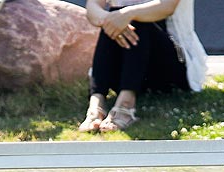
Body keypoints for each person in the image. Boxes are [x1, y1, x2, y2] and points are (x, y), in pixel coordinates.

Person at [79, 0, 192, 132]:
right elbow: (92, 7)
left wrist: (128, 14)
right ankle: (96, 103)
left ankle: (126, 105)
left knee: (137, 19)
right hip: (126, 70)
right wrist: (112, 20)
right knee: (112, 18)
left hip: (168, 67)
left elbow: (167, 7)